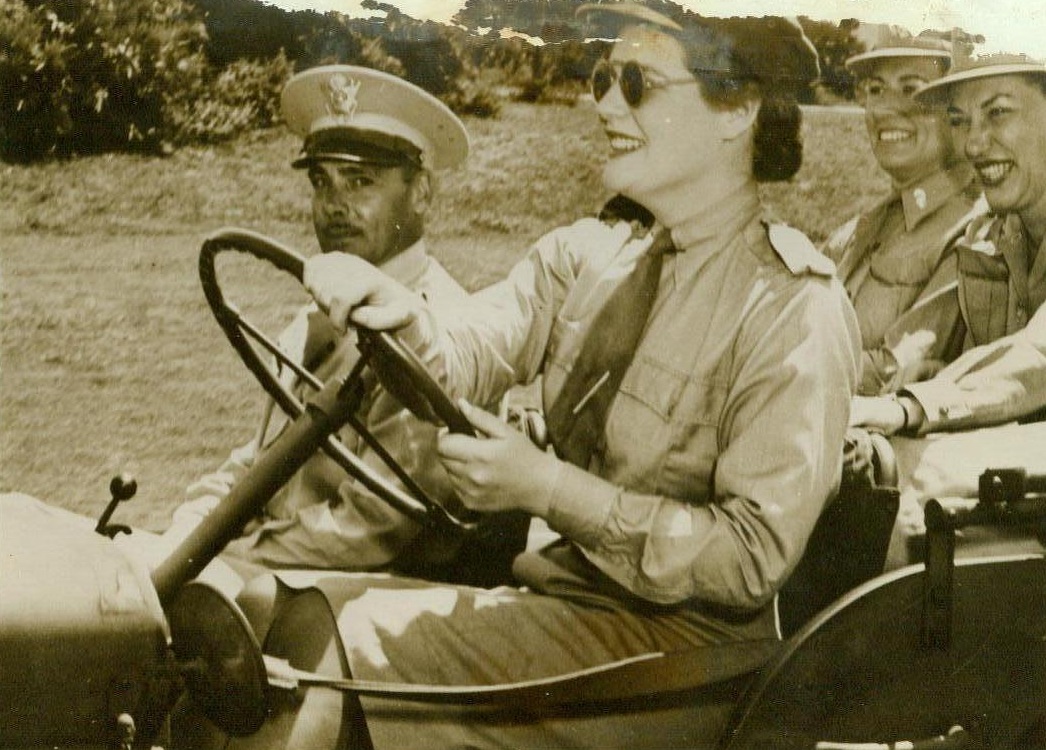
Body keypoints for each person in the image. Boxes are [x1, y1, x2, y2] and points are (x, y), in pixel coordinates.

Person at [284, 5, 860, 747]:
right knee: (284, 607)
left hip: (688, 663)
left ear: (737, 108)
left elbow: (747, 562)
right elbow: (467, 350)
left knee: (349, 639)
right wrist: (402, 310)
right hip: (565, 612)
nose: (604, 102)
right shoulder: (588, 258)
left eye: (637, 82)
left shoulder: (792, 307)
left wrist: (548, 490)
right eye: (600, 78)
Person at [166, 65, 513, 583]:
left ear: (422, 193)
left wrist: (222, 557)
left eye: (360, 181)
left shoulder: (441, 334)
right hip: (289, 563)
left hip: (380, 595)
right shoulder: (322, 315)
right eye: (321, 182)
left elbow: (373, 527)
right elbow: (264, 463)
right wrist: (185, 534)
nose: (334, 206)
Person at [851, 55, 1046, 438]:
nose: (973, 143)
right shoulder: (988, 238)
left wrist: (911, 405)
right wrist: (945, 374)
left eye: (998, 113)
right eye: (959, 121)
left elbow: (1039, 353)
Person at [824, 36, 987, 396]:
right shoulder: (865, 225)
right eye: (876, 89)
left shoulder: (973, 231)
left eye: (911, 88)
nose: (883, 109)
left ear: (960, 114)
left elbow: (896, 371)